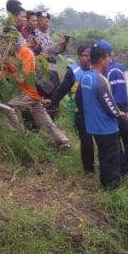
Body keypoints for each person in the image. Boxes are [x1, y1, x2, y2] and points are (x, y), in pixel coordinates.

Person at [76, 45, 128, 190]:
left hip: (94, 127)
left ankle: (105, 183)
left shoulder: (85, 77)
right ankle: (112, 188)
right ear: (102, 59)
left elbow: (79, 99)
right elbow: (110, 106)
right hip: (107, 128)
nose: (109, 61)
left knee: (104, 156)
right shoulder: (100, 80)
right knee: (112, 158)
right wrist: (124, 115)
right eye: (108, 58)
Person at [3, 33, 70, 148]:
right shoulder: (14, 55)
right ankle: (63, 141)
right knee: (44, 119)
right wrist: (5, 62)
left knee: (9, 106)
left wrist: (9, 62)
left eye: (9, 41)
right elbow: (5, 75)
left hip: (32, 92)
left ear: (14, 41)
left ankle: (20, 135)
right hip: (33, 93)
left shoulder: (25, 52)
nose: (7, 44)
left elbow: (22, 77)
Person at [49, 44, 95, 173]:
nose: (85, 58)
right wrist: (52, 101)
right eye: (83, 56)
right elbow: (62, 89)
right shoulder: (72, 71)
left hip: (96, 111)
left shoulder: (96, 69)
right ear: (79, 56)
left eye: (88, 56)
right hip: (80, 112)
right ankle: (89, 169)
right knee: (86, 141)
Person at [103, 40, 128, 175]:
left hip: (112, 110)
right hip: (125, 108)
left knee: (116, 141)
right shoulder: (122, 67)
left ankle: (123, 170)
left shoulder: (102, 71)